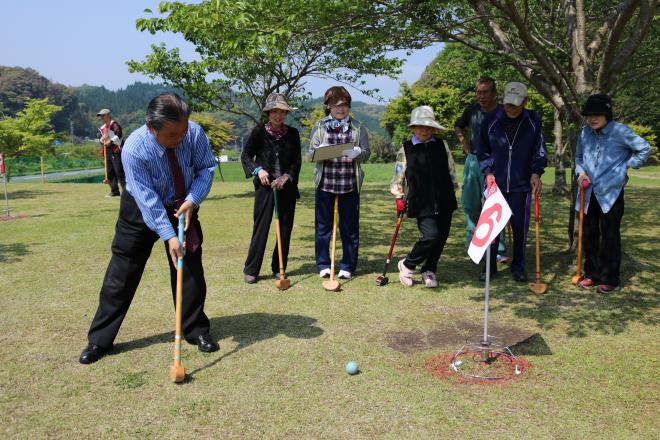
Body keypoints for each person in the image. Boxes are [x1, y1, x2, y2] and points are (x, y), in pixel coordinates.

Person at [79, 93, 219, 364]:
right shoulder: (134, 148)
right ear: (151, 127)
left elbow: (206, 169)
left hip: (182, 204)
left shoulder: (195, 133)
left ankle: (195, 329)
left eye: (183, 131)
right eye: (171, 134)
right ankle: (99, 340)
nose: (179, 138)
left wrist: (192, 200)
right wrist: (168, 235)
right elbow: (147, 199)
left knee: (189, 270)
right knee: (122, 272)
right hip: (140, 210)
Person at [575, 94, 650, 294]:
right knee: (590, 235)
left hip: (611, 193)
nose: (592, 118)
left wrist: (627, 166)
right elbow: (579, 157)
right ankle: (592, 274)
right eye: (589, 115)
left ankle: (610, 279)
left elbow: (644, 148)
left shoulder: (620, 131)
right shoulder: (584, 134)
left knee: (609, 236)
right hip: (588, 193)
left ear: (607, 114)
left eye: (597, 114)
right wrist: (580, 173)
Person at [478, 82, 547, 282]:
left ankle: (518, 266)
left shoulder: (534, 120)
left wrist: (536, 172)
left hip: (521, 184)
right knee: (491, 228)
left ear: (525, 101)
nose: (511, 108)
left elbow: (539, 149)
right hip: (495, 184)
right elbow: (482, 150)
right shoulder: (491, 120)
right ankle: (489, 267)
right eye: (508, 103)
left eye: (517, 104)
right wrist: (488, 171)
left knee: (520, 228)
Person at [391, 106, 458, 288]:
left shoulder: (441, 145)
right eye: (420, 126)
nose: (424, 130)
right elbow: (399, 174)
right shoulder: (406, 148)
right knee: (431, 235)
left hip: (444, 197)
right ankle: (407, 264)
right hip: (421, 200)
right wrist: (398, 196)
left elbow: (451, 169)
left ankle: (429, 270)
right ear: (413, 127)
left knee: (441, 237)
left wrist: (454, 188)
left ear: (433, 128)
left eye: (428, 127)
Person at [309, 86, 370, 279]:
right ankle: (323, 264)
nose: (340, 109)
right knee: (323, 228)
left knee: (350, 228)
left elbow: (367, 153)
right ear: (328, 106)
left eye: (344, 105)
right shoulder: (319, 127)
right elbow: (310, 155)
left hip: (349, 184)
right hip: (326, 184)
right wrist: (322, 151)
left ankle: (347, 266)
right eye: (336, 105)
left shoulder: (358, 127)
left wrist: (359, 153)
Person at [241, 93, 301, 283]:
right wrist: (258, 170)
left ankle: (279, 266)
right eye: (274, 111)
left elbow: (297, 161)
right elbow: (246, 156)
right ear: (268, 113)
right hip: (265, 187)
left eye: (282, 112)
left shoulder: (293, 134)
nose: (278, 115)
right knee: (261, 227)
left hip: (286, 188)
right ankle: (251, 269)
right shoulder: (259, 132)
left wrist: (287, 176)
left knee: (284, 228)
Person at [454, 77, 508, 263]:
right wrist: (463, 140)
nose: (481, 96)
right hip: (473, 160)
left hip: (496, 162)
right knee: (471, 204)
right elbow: (458, 125)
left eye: (485, 92)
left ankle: (498, 250)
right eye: (478, 92)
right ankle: (474, 248)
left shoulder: (502, 111)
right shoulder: (471, 110)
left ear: (494, 93)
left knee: (494, 206)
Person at [97, 108, 125, 197]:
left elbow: (119, 134)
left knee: (119, 172)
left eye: (103, 115)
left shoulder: (114, 124)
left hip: (116, 151)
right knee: (109, 172)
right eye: (100, 116)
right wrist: (101, 140)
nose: (101, 117)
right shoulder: (102, 128)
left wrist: (111, 141)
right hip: (107, 152)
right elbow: (100, 139)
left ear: (108, 115)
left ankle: (127, 192)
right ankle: (114, 191)